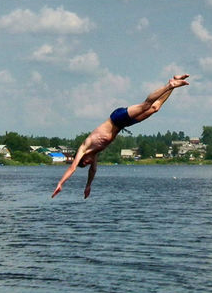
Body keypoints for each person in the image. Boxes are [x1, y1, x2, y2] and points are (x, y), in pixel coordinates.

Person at [51, 74, 190, 199]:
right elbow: (93, 171)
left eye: (85, 162)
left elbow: (72, 168)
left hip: (117, 118)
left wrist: (60, 183)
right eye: (86, 164)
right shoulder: (95, 154)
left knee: (146, 105)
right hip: (123, 124)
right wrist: (88, 186)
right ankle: (174, 83)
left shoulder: (84, 148)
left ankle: (169, 86)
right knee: (154, 108)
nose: (88, 162)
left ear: (82, 157)